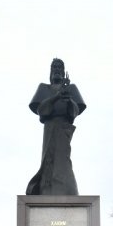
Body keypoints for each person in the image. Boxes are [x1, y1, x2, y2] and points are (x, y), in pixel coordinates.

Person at [26, 58, 87, 195]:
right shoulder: (44, 88)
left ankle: (67, 190)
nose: (57, 70)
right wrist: (57, 96)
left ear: (64, 71)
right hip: (49, 128)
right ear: (50, 71)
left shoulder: (71, 89)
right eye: (54, 67)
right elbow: (41, 110)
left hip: (64, 129)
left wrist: (68, 99)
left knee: (63, 160)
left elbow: (74, 112)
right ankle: (46, 189)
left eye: (60, 67)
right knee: (48, 159)